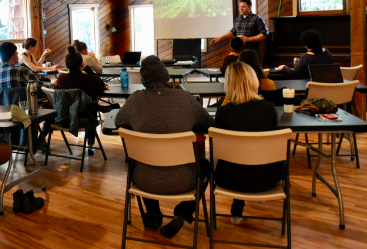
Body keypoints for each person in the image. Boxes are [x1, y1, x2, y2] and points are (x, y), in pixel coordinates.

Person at [115, 56, 213, 238]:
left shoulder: (135, 100)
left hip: (144, 181)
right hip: (185, 180)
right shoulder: (185, 98)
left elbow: (119, 122)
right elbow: (208, 124)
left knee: (142, 160)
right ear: (166, 77)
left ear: (144, 81)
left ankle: (153, 218)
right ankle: (184, 211)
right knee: (207, 166)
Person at [214, 61, 281, 225]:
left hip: (229, 179)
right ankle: (238, 210)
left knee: (236, 158)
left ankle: (236, 210)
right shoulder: (269, 109)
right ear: (254, 80)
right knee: (251, 155)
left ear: (228, 83)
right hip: (268, 178)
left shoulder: (223, 113)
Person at [56, 46, 106, 156]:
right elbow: (102, 86)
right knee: (91, 106)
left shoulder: (61, 78)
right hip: (85, 118)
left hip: (64, 117)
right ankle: (91, 143)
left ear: (66, 64)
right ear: (82, 64)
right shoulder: (90, 79)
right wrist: (88, 70)